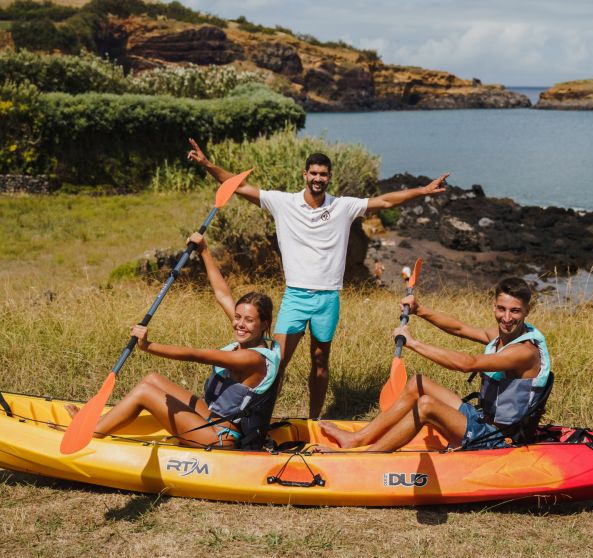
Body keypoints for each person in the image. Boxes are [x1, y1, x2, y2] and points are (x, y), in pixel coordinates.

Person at [187, 137, 450, 418]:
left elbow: (385, 201)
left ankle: (314, 420)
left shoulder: (342, 206)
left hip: (328, 299)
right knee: (274, 362)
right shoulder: (283, 203)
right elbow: (238, 187)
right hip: (296, 297)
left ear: (329, 177)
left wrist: (422, 191)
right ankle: (258, 419)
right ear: (305, 175)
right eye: (313, 173)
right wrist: (207, 164)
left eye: (323, 174)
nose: (317, 178)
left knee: (321, 361)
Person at [66, 233, 280, 448]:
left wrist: (149, 346)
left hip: (219, 435)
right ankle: (100, 424)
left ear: (263, 324)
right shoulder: (245, 338)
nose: (240, 324)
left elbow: (197, 355)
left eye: (249, 320)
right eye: (237, 317)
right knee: (152, 379)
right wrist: (204, 250)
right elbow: (222, 294)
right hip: (210, 416)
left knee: (144, 392)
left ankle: (89, 434)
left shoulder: (252, 358)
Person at [318, 277, 551, 451]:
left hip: (496, 438)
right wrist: (420, 310)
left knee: (426, 405)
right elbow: (459, 328)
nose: (507, 318)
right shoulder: (503, 335)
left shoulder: (524, 352)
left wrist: (414, 344)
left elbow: (468, 364)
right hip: (482, 421)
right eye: (502, 309)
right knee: (418, 383)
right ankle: (357, 438)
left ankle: (367, 456)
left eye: (515, 311)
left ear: (527, 311)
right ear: (494, 307)